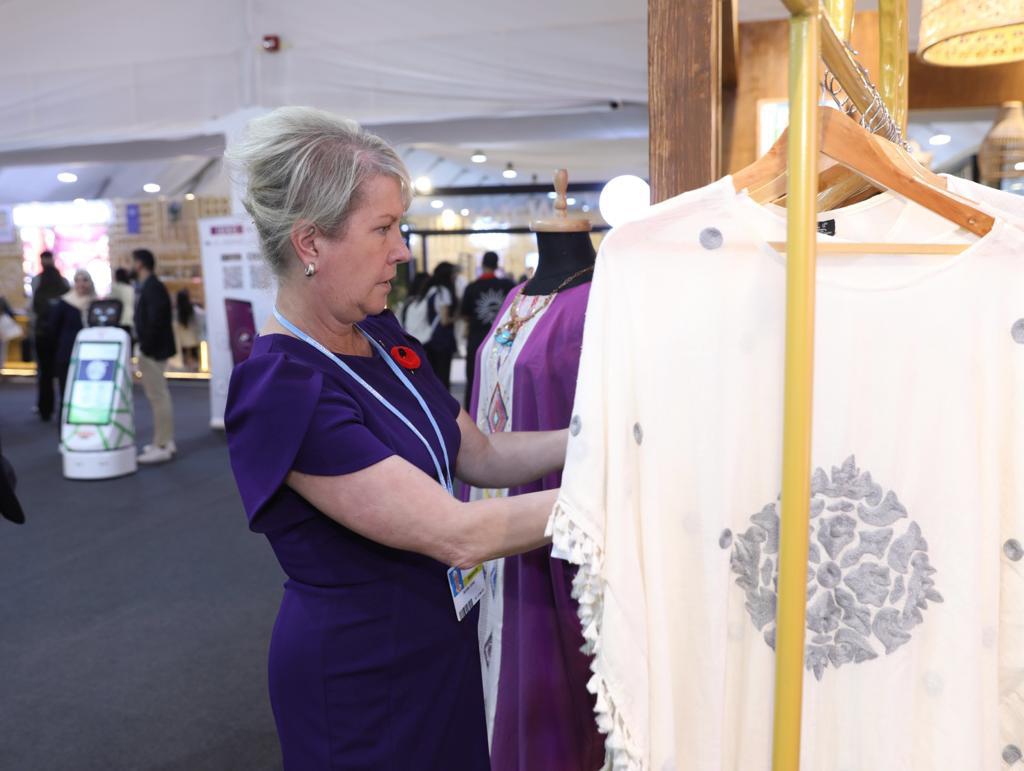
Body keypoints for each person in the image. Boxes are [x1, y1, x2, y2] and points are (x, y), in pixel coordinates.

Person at [223, 106, 566, 770]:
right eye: (383, 228)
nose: (403, 249)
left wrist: (597, 441)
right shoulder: (281, 388)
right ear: (310, 244)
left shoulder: (380, 334)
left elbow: (481, 454)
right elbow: (458, 533)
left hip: (438, 643)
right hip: (361, 675)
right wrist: (619, 490)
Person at [132, 249, 177, 464]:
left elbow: (156, 320)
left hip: (153, 351)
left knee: (158, 396)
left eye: (132, 261)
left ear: (140, 263)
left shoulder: (152, 287)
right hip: (153, 349)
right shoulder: (151, 286)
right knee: (159, 396)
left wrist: (145, 347)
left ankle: (162, 445)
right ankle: (164, 441)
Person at [459, 251, 515, 409]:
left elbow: (465, 315)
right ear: (497, 265)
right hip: (503, 341)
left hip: (477, 341)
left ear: (482, 264)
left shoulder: (472, 288)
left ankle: (473, 412)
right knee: (503, 379)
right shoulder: (508, 286)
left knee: (474, 378)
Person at [49, 269, 96, 422]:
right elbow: (53, 329)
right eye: (77, 280)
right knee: (66, 392)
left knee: (87, 393)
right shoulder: (65, 303)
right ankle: (65, 426)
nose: (81, 284)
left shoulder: (95, 303)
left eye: (85, 280)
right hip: (67, 355)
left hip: (90, 355)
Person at [30, 250, 69, 421]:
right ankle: (65, 407)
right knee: (63, 372)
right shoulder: (63, 282)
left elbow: (33, 308)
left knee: (44, 373)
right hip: (60, 334)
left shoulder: (37, 281)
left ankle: (45, 409)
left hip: (42, 333)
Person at [421, 261, 458, 389]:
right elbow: (444, 320)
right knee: (443, 377)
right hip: (442, 339)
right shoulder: (444, 292)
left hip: (428, 338)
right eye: (453, 273)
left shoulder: (430, 290)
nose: (455, 276)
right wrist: (457, 318)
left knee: (433, 377)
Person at [173, 288, 202, 371]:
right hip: (193, 339)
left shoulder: (176, 312)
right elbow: (200, 320)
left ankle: (187, 370)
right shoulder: (193, 310)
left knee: (185, 358)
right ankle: (194, 369)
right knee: (194, 357)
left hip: (182, 341)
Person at [108, 267, 135, 339]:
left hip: (118, 319)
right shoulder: (131, 288)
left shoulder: (115, 288)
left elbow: (110, 302)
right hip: (130, 319)